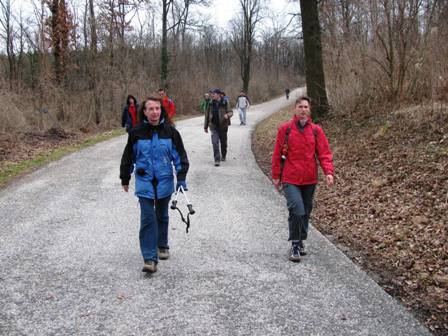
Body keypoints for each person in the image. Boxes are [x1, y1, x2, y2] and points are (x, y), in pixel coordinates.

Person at [120, 97, 189, 273]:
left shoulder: (171, 132)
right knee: (148, 218)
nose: (154, 112)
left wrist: (181, 178)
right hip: (144, 182)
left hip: (165, 181)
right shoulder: (136, 132)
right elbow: (129, 156)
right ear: (144, 112)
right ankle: (150, 258)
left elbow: (180, 157)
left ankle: (162, 244)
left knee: (162, 215)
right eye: (150, 109)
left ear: (161, 110)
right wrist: (125, 177)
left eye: (157, 108)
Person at [271, 96, 334, 262]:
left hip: (310, 179)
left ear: (309, 110)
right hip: (290, 178)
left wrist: (328, 172)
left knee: (306, 212)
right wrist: (276, 175)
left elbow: (324, 153)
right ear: (295, 109)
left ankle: (300, 239)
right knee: (297, 210)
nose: (303, 110)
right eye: (300, 106)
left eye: (306, 107)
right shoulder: (285, 130)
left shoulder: (316, 130)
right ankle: (295, 244)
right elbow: (277, 154)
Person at [204, 89, 233, 166]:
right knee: (215, 143)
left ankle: (223, 155)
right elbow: (207, 115)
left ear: (219, 95)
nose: (212, 95)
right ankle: (217, 159)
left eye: (214, 94)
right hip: (213, 126)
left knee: (223, 143)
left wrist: (227, 115)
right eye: (212, 94)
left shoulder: (225, 102)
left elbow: (231, 112)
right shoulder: (210, 103)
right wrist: (205, 126)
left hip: (223, 126)